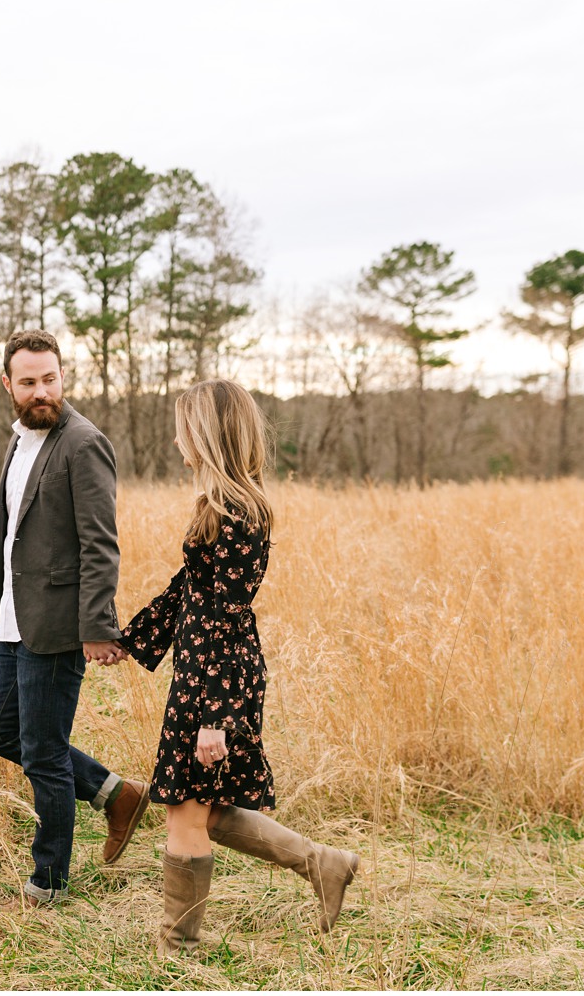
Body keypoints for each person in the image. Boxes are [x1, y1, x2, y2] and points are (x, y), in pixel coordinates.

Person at [116, 378, 359, 954]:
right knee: (204, 803)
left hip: (216, 676)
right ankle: (322, 864)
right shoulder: (216, 506)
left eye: (182, 429)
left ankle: (181, 948)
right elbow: (189, 590)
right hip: (202, 668)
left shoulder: (241, 515)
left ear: (206, 434)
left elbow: (225, 614)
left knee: (183, 809)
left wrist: (215, 718)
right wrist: (130, 639)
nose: (176, 441)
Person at [0, 329, 150, 908]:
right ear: (9, 385)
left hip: (57, 622)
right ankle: (114, 794)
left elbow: (101, 544)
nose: (42, 390)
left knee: (44, 751)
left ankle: (48, 881)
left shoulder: (83, 443)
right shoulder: (20, 439)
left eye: (50, 378)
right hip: (14, 617)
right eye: (29, 382)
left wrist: (97, 625)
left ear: (62, 376)